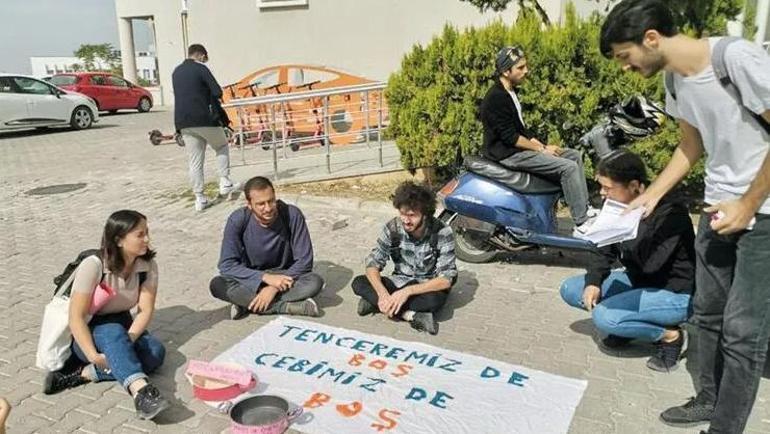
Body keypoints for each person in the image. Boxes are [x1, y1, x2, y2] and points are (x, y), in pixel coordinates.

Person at [601, 1, 770, 432]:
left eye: (625, 56)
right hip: (717, 207)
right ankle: (708, 400)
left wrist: (748, 203)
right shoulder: (675, 81)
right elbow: (690, 145)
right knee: (706, 315)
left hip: (763, 213)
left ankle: (725, 427)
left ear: (651, 39)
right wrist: (652, 195)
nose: (625, 67)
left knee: (743, 333)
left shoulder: (735, 59)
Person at [559, 151, 695, 372]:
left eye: (608, 188)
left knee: (605, 317)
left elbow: (652, 264)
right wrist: (594, 281)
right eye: (602, 187)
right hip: (638, 280)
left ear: (634, 186)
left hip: (675, 292)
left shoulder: (671, 214)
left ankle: (670, 336)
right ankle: (629, 326)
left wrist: (626, 225)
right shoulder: (617, 205)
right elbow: (602, 249)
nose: (602, 194)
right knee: (572, 289)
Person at [42, 210, 169, 421]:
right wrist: (92, 355)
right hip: (87, 332)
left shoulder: (147, 265)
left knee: (155, 352)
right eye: (140, 234)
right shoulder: (94, 265)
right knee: (112, 333)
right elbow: (76, 317)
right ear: (119, 240)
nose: (147, 239)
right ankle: (142, 393)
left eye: (147, 232)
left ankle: (84, 374)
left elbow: (145, 309)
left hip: (122, 325)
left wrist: (130, 338)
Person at [478, 46, 597, 235]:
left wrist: (543, 146)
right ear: (505, 71)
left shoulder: (510, 93)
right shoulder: (495, 98)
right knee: (568, 167)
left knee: (573, 155)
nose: (526, 71)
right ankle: (581, 223)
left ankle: (585, 208)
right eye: (520, 67)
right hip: (507, 154)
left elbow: (521, 131)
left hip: (516, 149)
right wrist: (540, 150)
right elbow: (512, 138)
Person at [210, 176, 323, 320]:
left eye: (271, 201)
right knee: (218, 285)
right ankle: (285, 306)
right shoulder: (238, 220)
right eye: (261, 204)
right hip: (251, 277)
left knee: (314, 282)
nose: (268, 208)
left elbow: (305, 261)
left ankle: (245, 303)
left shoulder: (291, 214)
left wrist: (273, 287)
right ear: (249, 205)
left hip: (284, 276)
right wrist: (264, 278)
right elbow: (227, 265)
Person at [352, 181, 457, 335]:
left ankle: (375, 304)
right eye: (402, 214)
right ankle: (409, 315)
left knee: (435, 300)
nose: (406, 221)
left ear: (425, 214)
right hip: (397, 282)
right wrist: (382, 294)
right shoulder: (392, 228)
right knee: (359, 283)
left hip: (424, 287)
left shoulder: (442, 232)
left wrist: (407, 291)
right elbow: (373, 262)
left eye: (412, 215)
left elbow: (447, 279)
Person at [172, 43, 238, 212]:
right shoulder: (200, 69)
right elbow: (217, 92)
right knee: (222, 145)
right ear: (200, 55)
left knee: (195, 161)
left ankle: (199, 198)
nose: (205, 61)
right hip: (204, 118)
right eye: (205, 58)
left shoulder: (176, 72)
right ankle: (224, 181)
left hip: (183, 122)